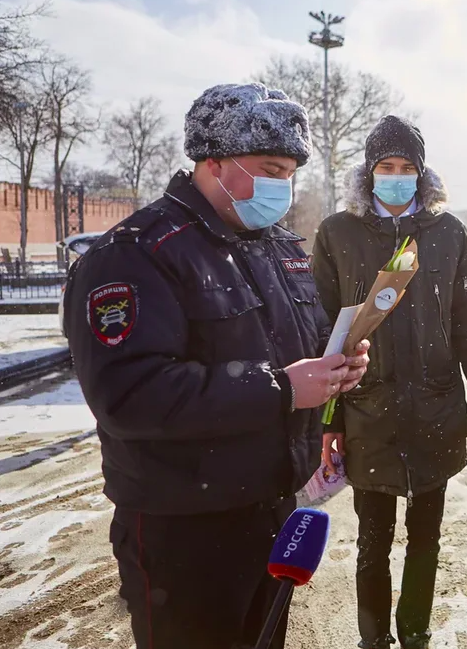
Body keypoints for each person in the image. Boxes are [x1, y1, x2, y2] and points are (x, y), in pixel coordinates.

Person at [64, 83, 371, 649]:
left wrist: (337, 367)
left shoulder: (276, 247)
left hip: (273, 508)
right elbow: (130, 394)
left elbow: (297, 352)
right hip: (185, 529)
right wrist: (282, 390)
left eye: (289, 173)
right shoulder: (137, 251)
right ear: (213, 162)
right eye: (269, 169)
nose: (282, 186)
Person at [312, 115, 467, 649]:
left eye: (407, 168)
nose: (396, 177)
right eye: (386, 167)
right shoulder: (337, 234)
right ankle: (373, 640)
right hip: (366, 413)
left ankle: (414, 636)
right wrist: (326, 421)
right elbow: (321, 332)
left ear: (422, 175)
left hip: (435, 414)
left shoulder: (448, 234)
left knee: (426, 542)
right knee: (372, 543)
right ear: (369, 173)